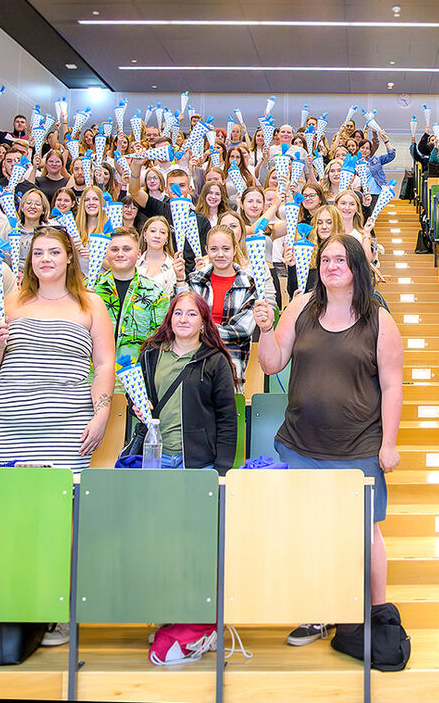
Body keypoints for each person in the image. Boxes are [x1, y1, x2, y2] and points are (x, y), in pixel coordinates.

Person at [253, 234, 403, 646]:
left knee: (366, 531)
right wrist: (266, 329)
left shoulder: (379, 319)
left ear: (356, 266)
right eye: (325, 259)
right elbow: (272, 361)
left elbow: (392, 387)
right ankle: (316, 611)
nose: (331, 265)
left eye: (340, 259)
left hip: (359, 446)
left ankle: (376, 615)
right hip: (301, 444)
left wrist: (388, 443)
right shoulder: (300, 306)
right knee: (309, 531)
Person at [0, 225, 115, 474]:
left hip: (70, 428)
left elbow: (105, 365)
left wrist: (101, 415)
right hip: (12, 426)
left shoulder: (92, 304)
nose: (45, 259)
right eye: (38, 253)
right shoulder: (11, 302)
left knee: (65, 502)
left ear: (69, 257)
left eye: (54, 252)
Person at [135, 292, 239, 471]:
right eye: (178, 313)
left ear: (203, 323)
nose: (183, 319)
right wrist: (136, 405)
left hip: (199, 462)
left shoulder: (215, 360)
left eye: (192, 314)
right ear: (170, 319)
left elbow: (227, 419)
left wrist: (222, 469)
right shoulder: (150, 354)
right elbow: (135, 395)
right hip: (156, 457)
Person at [92, 227, 170, 374]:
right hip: (92, 377)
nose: (120, 254)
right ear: (106, 253)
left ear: (139, 254)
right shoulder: (89, 288)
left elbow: (163, 340)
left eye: (127, 249)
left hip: (136, 380)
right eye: (114, 249)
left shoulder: (156, 293)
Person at [188, 225, 257, 384]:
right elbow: (184, 324)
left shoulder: (249, 284)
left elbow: (242, 331)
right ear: (206, 250)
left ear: (235, 249)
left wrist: (202, 331)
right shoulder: (194, 280)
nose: (220, 254)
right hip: (193, 362)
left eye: (225, 248)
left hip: (231, 364)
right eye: (214, 249)